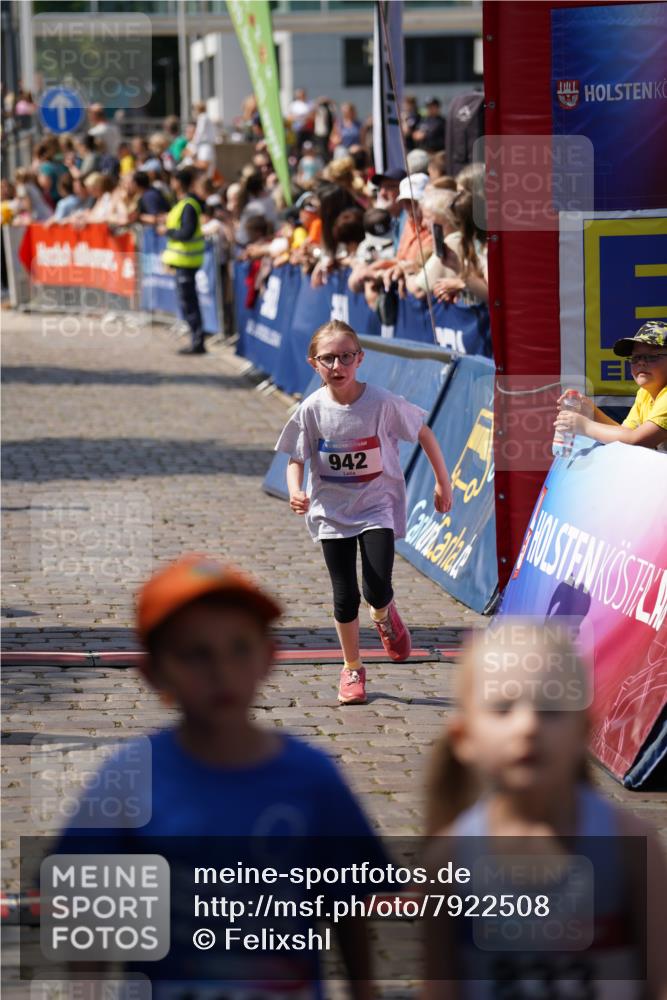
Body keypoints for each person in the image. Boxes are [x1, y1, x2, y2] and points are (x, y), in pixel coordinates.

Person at [52, 553, 378, 995]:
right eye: (196, 654)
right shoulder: (127, 783)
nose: (221, 671)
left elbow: (348, 906)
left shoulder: (312, 778)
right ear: (153, 673)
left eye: (239, 648)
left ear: (267, 657)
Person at [422, 620, 667, 997]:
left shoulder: (631, 846)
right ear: (464, 737)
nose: (528, 726)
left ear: (584, 731)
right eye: (503, 709)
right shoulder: (447, 863)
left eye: (551, 710)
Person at [275, 319, 452, 706]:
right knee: (344, 595)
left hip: (377, 507)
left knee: (376, 588)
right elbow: (295, 458)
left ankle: (385, 615)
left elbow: (423, 432)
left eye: (346, 357)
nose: (337, 366)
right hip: (331, 514)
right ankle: (352, 667)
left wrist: (443, 481)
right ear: (313, 364)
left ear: (360, 359)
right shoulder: (311, 410)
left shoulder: (383, 403)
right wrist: (295, 491)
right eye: (328, 359)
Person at [554, 321, 667, 451]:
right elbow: (625, 433)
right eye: (636, 357)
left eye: (652, 356)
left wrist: (585, 426)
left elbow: (636, 440)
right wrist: (592, 411)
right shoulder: (645, 393)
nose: (641, 362)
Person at [159, 167, 206, 355]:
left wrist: (168, 231)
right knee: (187, 303)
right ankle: (195, 340)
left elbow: (186, 232)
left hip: (187, 262)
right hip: (183, 262)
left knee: (189, 303)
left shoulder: (188, 205)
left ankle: (197, 342)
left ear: (178, 182)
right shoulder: (183, 204)